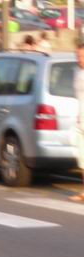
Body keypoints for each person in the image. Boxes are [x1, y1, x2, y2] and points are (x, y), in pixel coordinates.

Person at [72, 43, 84, 202]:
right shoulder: (78, 74)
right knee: (82, 159)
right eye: (78, 57)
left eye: (82, 57)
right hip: (80, 121)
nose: (79, 60)